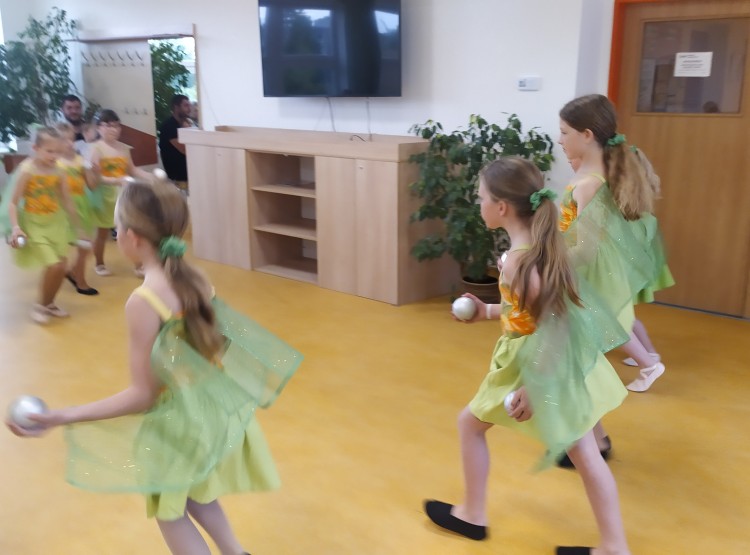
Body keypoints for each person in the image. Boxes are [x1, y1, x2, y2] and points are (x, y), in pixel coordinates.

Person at [7, 179, 303, 555]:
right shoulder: (197, 279)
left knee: (168, 510)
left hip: (179, 420)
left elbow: (143, 395)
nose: (116, 234)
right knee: (192, 489)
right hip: (210, 410)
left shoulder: (144, 300)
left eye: (116, 228)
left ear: (132, 237)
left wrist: (62, 416)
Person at [424, 157, 631, 555]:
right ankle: (613, 546)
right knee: (585, 453)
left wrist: (535, 385)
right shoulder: (535, 249)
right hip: (560, 360)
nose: (478, 204)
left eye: (481, 198)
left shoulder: (518, 262)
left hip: (537, 363)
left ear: (501, 207)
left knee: (470, 425)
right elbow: (531, 311)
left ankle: (473, 515)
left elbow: (556, 324)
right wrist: (487, 311)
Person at [557, 94, 665, 393]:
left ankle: (649, 364)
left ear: (587, 135)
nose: (559, 139)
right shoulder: (591, 175)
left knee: (602, 319)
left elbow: (586, 246)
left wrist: (551, 261)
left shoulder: (590, 184)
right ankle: (645, 363)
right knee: (600, 319)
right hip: (588, 261)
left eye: (565, 132)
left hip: (592, 266)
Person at [0, 127, 84, 324]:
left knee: (61, 267)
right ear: (35, 148)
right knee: (54, 265)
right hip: (34, 226)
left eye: (58, 152)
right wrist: (16, 228)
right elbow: (13, 203)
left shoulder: (59, 171)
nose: (54, 156)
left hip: (56, 223)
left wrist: (78, 226)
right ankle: (40, 305)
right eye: (49, 151)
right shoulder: (27, 170)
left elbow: (66, 200)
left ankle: (50, 303)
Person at [88, 109, 154, 277]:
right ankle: (99, 263)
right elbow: (96, 177)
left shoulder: (124, 148)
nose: (113, 129)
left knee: (131, 231)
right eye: (108, 125)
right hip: (105, 196)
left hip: (124, 195)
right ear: (99, 127)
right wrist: (116, 180)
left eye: (116, 125)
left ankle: (138, 264)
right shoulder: (96, 148)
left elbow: (132, 170)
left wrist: (150, 177)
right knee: (102, 233)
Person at [56, 122, 99, 295]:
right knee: (62, 247)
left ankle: (78, 276)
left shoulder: (81, 161)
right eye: (63, 140)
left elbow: (92, 186)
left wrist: (93, 171)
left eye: (71, 139)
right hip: (61, 208)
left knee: (85, 246)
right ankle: (71, 278)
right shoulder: (55, 162)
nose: (69, 143)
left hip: (81, 206)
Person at [158, 94, 192, 192]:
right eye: (186, 105)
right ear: (176, 107)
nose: (189, 109)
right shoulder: (169, 126)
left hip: (187, 175)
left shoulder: (183, 124)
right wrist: (188, 131)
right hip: (178, 179)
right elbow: (185, 150)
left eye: (189, 105)